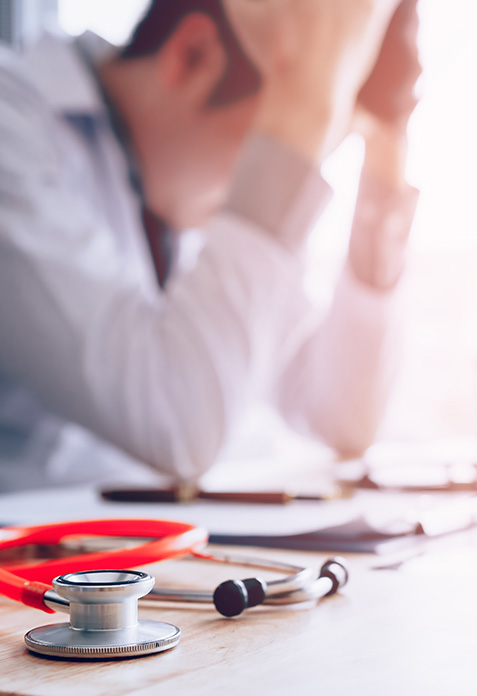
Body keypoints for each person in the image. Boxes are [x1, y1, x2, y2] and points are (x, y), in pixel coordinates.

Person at [0, 0, 420, 490]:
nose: (288, 164)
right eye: (281, 132)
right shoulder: (14, 133)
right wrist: (298, 109)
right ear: (192, 55)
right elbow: (177, 425)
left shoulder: (176, 185)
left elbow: (338, 417)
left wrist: (385, 172)